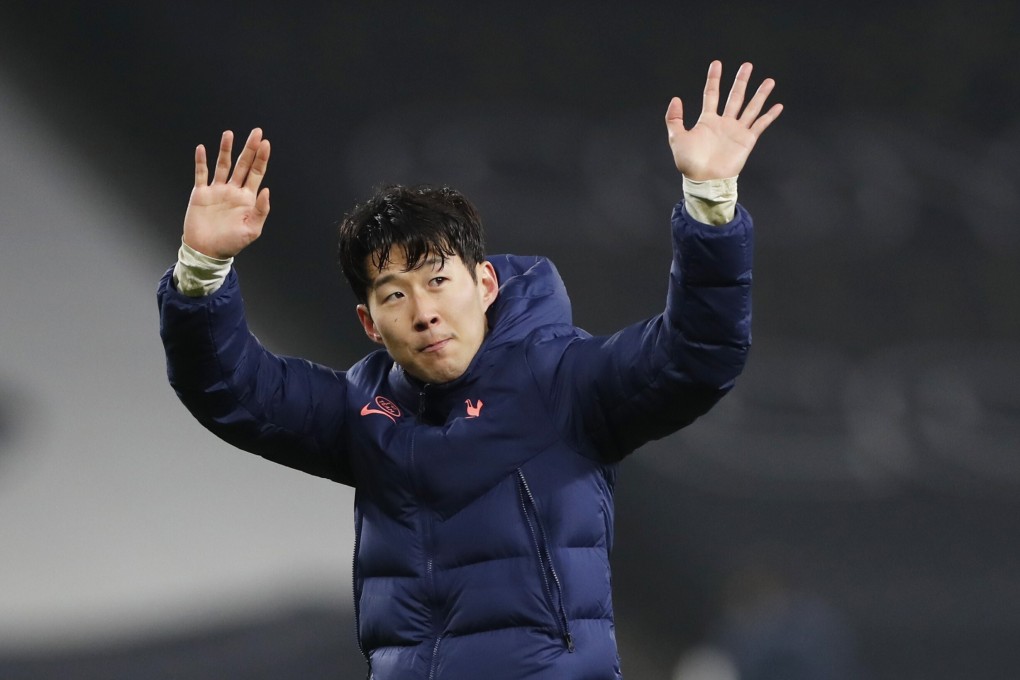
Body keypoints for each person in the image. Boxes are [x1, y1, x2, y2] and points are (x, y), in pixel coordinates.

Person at [157, 60, 782, 680]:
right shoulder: (362, 412)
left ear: (484, 284)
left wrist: (709, 203)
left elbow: (695, 355)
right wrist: (202, 268)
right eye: (395, 294)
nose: (424, 312)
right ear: (370, 323)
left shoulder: (561, 381)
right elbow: (231, 389)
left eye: (437, 281)